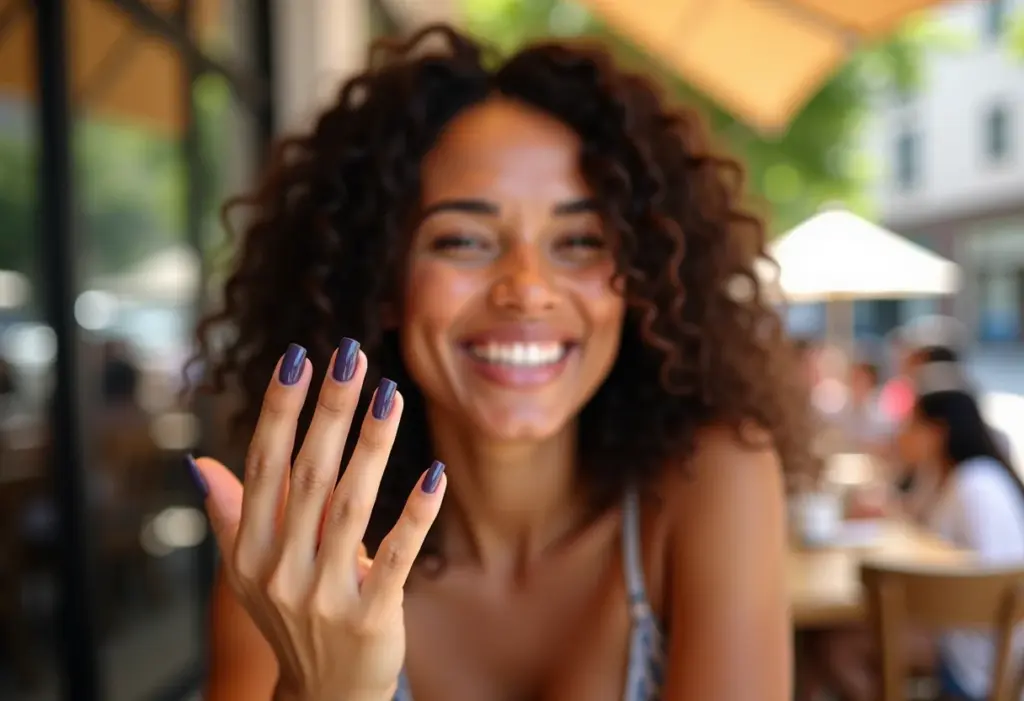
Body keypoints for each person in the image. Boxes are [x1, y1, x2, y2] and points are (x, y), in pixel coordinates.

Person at [189, 24, 812, 701]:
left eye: (578, 239)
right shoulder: (298, 547)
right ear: (383, 280)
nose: (527, 288)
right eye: (463, 239)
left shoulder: (710, 479)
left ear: (640, 281)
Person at [810, 366, 1024, 701]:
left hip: (979, 644)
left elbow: (999, 583)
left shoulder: (976, 486)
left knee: (834, 646)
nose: (901, 434)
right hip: (959, 625)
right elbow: (915, 518)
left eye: (912, 425)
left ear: (937, 431)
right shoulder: (945, 475)